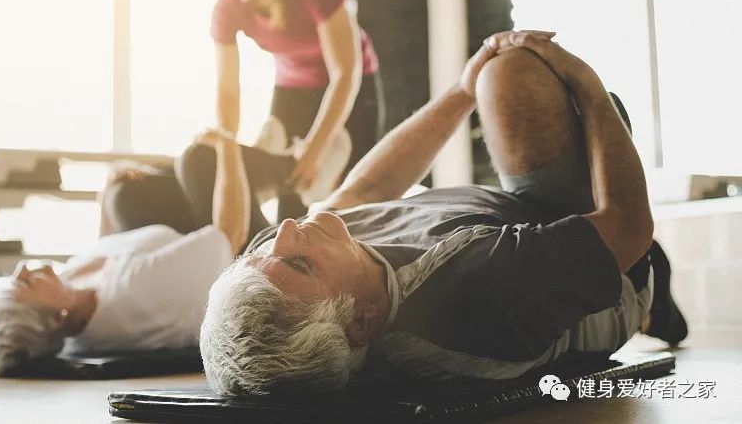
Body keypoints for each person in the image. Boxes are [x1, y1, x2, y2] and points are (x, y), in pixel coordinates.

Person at [200, 31, 689, 395]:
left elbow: (367, 186)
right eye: (298, 262)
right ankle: (655, 294)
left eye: (261, 252)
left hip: (508, 221)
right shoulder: (476, 294)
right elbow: (628, 226)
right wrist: (586, 83)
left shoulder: (329, 263)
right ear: (361, 324)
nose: (285, 231)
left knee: (491, 80)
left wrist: (462, 90)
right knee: (515, 73)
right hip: (617, 267)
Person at [0, 131, 349, 377]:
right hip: (239, 254)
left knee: (124, 194)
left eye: (17, 273)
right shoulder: (134, 296)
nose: (28, 268)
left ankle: (281, 177)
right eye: (27, 282)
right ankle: (300, 171)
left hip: (172, 243)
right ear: (55, 320)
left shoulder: (73, 297)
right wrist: (228, 147)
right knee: (200, 159)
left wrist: (106, 195)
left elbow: (104, 247)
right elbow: (227, 235)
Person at [212, 0, 384, 220]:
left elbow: (345, 73)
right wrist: (227, 151)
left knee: (352, 193)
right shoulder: (227, 8)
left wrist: (315, 150)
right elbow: (227, 92)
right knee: (290, 193)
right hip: (292, 86)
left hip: (352, 84)